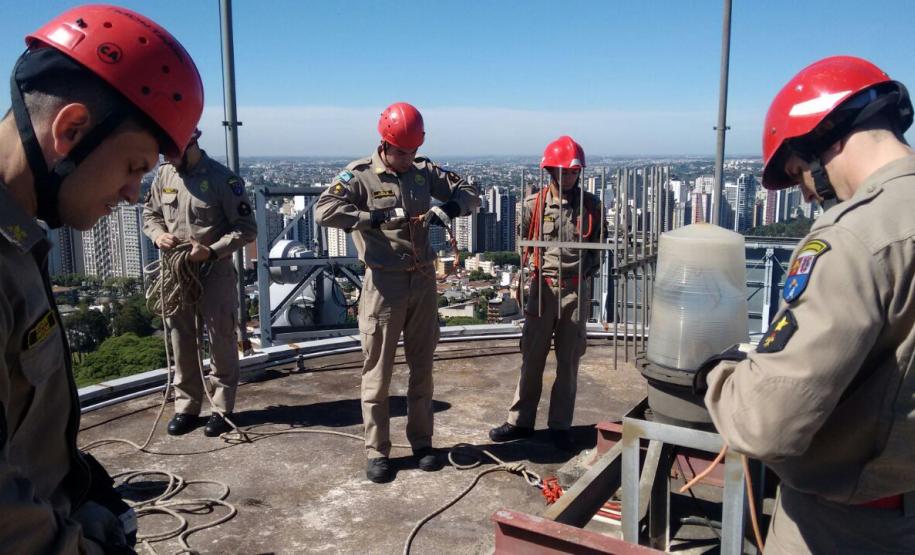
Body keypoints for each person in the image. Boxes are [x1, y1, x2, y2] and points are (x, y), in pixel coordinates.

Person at [0, 4, 203, 552]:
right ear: (70, 130)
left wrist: (75, 479)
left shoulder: (20, 243)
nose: (133, 195)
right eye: (135, 167)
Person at [693, 56, 915, 553]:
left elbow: (763, 424)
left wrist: (720, 378)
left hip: (842, 525)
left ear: (820, 142)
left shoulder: (853, 239)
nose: (808, 192)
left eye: (797, 174)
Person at [315, 102, 480, 483]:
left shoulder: (425, 172)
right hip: (384, 283)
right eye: (402, 152)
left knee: (422, 368)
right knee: (378, 372)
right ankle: (378, 451)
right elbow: (324, 211)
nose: (409, 159)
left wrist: (450, 208)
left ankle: (422, 443)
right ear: (385, 144)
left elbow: (471, 192)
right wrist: (371, 218)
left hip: (422, 281)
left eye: (414, 151)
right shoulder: (359, 176)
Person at [489, 136, 605, 451]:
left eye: (571, 172)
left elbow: (598, 249)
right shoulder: (533, 206)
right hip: (543, 287)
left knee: (568, 362)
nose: (566, 178)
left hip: (575, 289)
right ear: (550, 171)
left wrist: (582, 276)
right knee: (532, 356)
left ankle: (559, 426)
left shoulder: (591, 207)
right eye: (561, 172)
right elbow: (522, 244)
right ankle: (520, 422)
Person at [143, 131, 257, 438]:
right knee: (181, 337)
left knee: (220, 337)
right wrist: (158, 235)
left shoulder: (223, 179)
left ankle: (221, 407)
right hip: (176, 272)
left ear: (189, 143)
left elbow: (246, 228)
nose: (166, 157)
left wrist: (211, 251)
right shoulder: (164, 174)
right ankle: (187, 406)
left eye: (171, 151)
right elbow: (150, 214)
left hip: (214, 271)